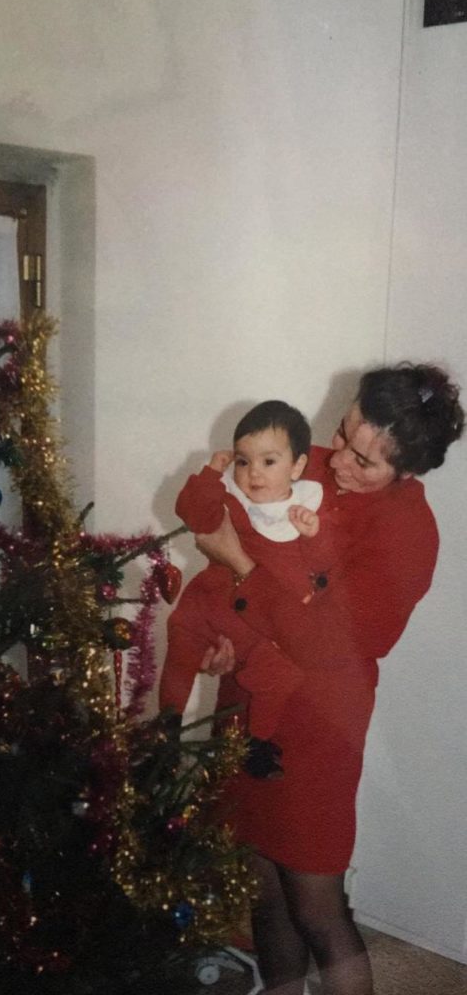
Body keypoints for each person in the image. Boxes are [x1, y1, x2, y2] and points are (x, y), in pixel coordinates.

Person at [194, 364, 464, 995]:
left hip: (319, 721)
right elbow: (218, 515)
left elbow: (333, 643)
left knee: (317, 905)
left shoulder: (408, 532)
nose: (336, 460)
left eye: (364, 462)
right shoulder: (303, 463)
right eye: (343, 433)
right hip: (251, 692)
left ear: (406, 472)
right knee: (262, 886)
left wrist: (236, 562)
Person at [159, 400, 336, 748]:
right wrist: (211, 474)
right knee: (182, 642)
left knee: (279, 675)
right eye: (243, 461)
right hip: (212, 601)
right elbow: (193, 514)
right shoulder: (233, 499)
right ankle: (166, 729)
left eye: (268, 462)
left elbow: (323, 570)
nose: (253, 473)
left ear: (297, 466)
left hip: (254, 623)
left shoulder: (307, 508)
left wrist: (315, 535)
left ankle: (258, 743)